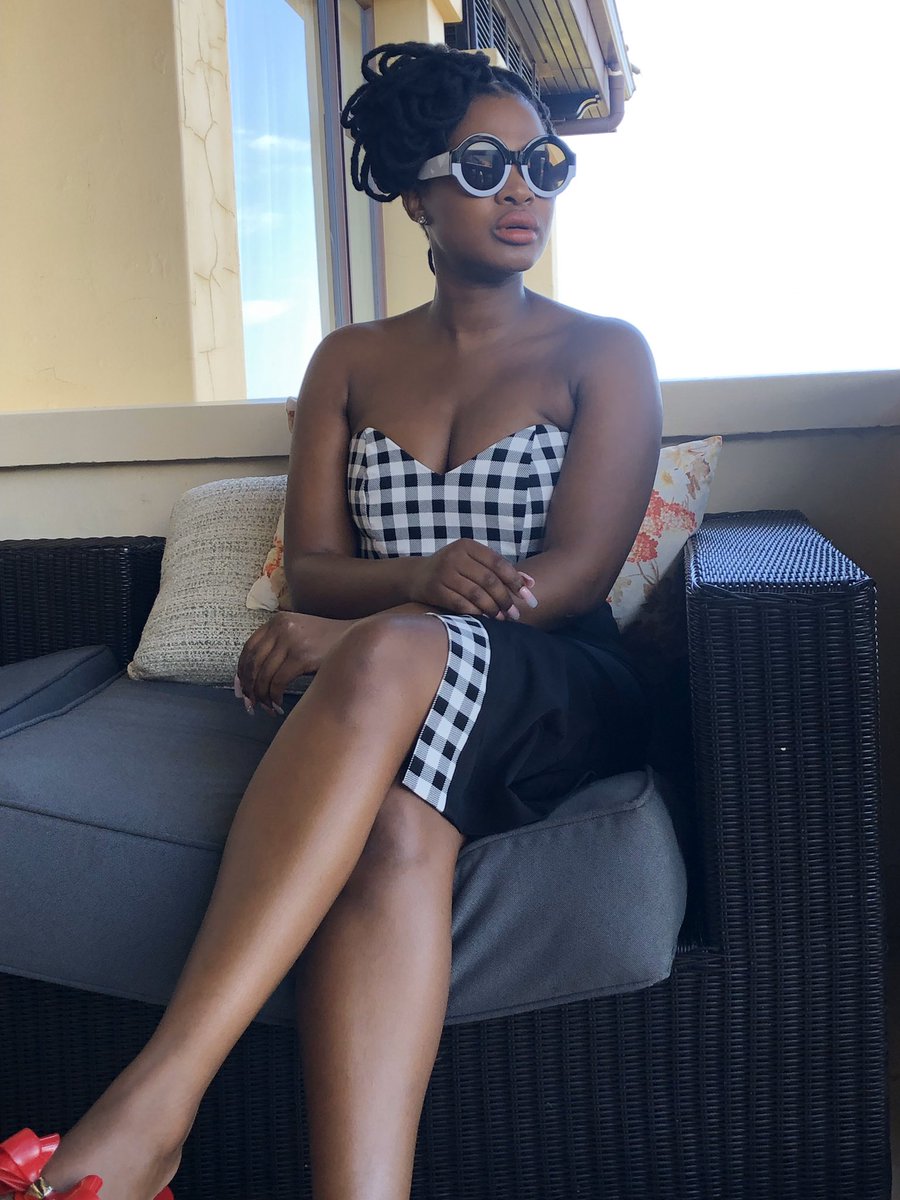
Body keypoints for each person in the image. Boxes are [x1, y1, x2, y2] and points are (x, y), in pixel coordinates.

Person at [1, 40, 662, 1200]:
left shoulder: (604, 353)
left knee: (399, 655)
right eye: (487, 164)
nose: (524, 190)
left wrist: (374, 631)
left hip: (558, 685)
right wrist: (413, 586)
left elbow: (566, 581)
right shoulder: (349, 362)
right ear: (418, 195)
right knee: (397, 834)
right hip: (400, 694)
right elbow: (311, 574)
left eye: (545, 164)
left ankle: (153, 1109)